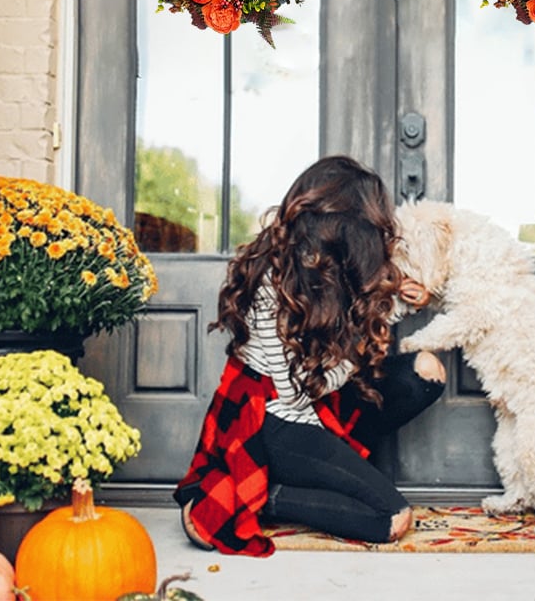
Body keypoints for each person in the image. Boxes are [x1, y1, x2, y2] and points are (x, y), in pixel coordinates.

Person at [174, 155, 446, 556]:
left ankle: (334, 469)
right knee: (390, 518)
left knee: (426, 370)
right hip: (274, 415)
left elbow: (361, 335)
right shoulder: (270, 280)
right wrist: (356, 356)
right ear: (344, 228)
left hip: (321, 399)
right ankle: (264, 495)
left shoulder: (338, 265)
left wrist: (410, 300)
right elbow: (294, 395)